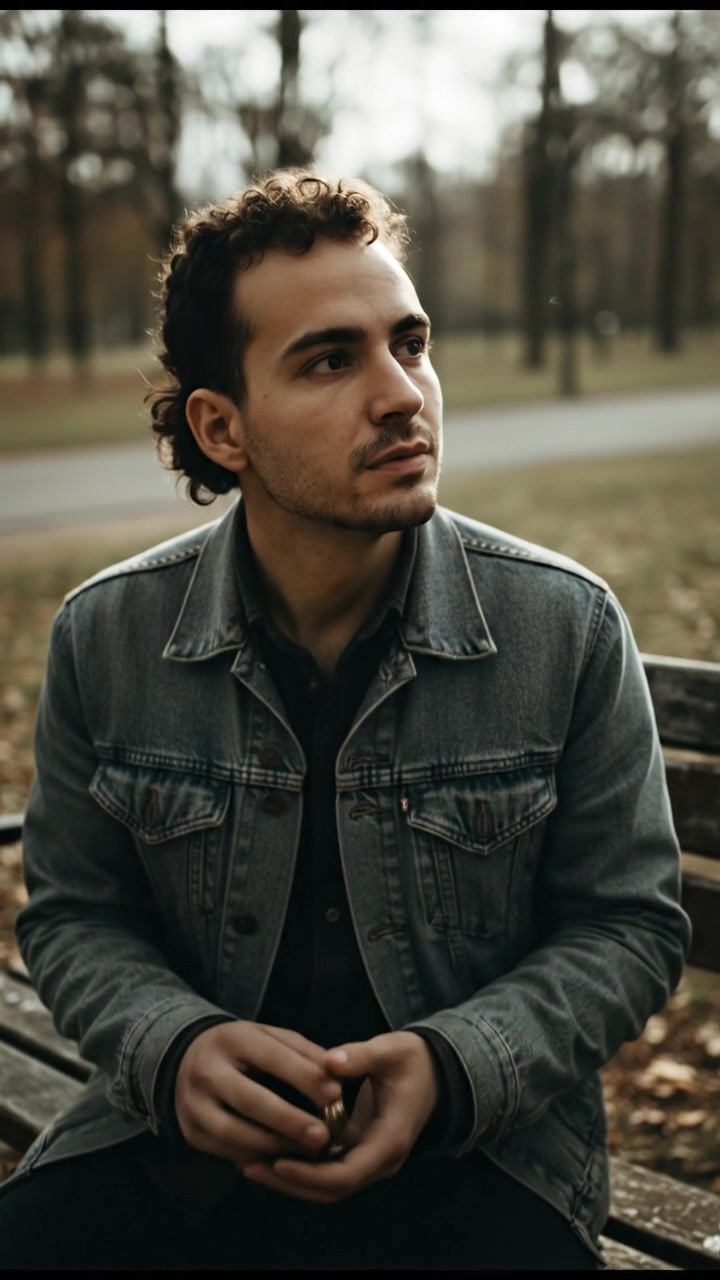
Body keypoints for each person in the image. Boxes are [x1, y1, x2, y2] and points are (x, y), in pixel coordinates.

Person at [0, 171, 690, 1271]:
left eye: (410, 343)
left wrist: (454, 1064)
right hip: (176, 1148)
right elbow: (77, 915)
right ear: (222, 426)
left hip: (481, 1154)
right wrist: (173, 1049)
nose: (403, 394)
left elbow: (629, 924)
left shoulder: (565, 628)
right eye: (331, 359)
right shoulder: (109, 636)